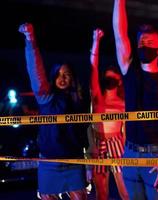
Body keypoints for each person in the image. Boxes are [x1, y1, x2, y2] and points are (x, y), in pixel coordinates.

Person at [112, 0, 158, 199]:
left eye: (150, 42)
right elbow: (119, 34)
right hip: (130, 155)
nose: (144, 45)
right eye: (141, 42)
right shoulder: (130, 71)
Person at [19, 23, 88, 200]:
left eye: (66, 74)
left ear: (72, 77)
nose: (62, 78)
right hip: (49, 162)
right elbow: (36, 72)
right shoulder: (46, 97)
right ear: (52, 76)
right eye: (58, 74)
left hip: (74, 162)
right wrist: (30, 41)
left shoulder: (79, 98)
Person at [86, 28, 129, 200]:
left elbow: (125, 130)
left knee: (125, 191)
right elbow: (93, 69)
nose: (109, 81)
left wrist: (126, 151)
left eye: (113, 78)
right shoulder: (97, 98)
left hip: (117, 142)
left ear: (119, 81)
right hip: (98, 143)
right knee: (101, 193)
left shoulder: (123, 102)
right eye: (107, 78)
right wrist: (96, 42)